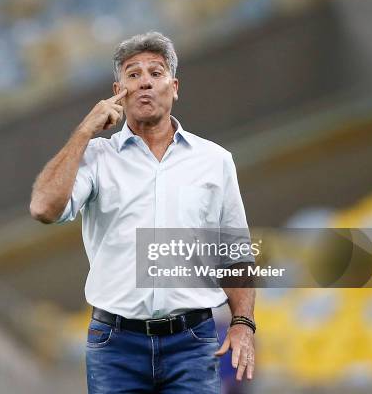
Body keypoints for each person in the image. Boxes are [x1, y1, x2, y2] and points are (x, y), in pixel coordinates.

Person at [29, 31, 255, 394]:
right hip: (115, 345)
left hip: (193, 342)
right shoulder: (96, 158)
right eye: (133, 74)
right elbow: (43, 208)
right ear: (118, 90)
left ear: (175, 86)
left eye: (156, 72)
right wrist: (84, 132)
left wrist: (243, 322)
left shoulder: (215, 161)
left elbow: (235, 253)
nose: (145, 82)